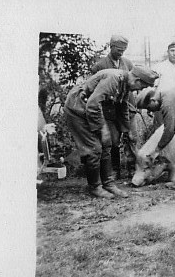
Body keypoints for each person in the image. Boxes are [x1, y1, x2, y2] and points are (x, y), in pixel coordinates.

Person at [64, 67, 159, 198]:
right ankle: (95, 187)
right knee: (94, 148)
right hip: (77, 108)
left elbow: (123, 107)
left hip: (91, 109)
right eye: (142, 86)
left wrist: (127, 130)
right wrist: (103, 128)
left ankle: (108, 184)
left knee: (107, 144)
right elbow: (92, 105)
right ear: (137, 80)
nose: (140, 90)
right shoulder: (113, 79)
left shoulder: (125, 84)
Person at [90, 34, 137, 179]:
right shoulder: (100, 66)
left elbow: (132, 83)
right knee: (113, 141)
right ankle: (115, 169)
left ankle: (132, 168)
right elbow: (95, 91)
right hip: (109, 110)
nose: (121, 52)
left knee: (131, 137)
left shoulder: (128, 64)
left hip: (127, 107)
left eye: (124, 50)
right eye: (118, 49)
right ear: (111, 47)